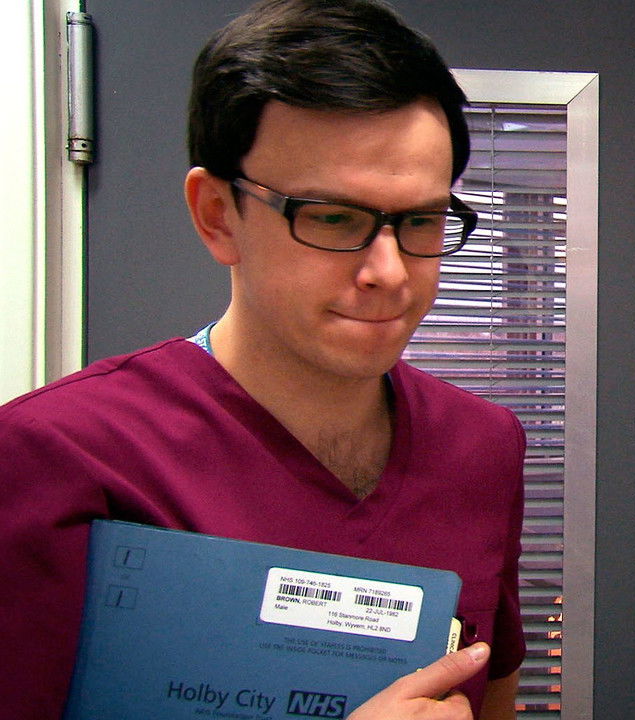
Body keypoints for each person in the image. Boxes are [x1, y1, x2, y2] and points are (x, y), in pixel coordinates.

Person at [0, 1, 526, 718]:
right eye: (333, 217)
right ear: (217, 215)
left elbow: (490, 690)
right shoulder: (61, 457)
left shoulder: (482, 448)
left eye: (421, 221)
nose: (390, 272)